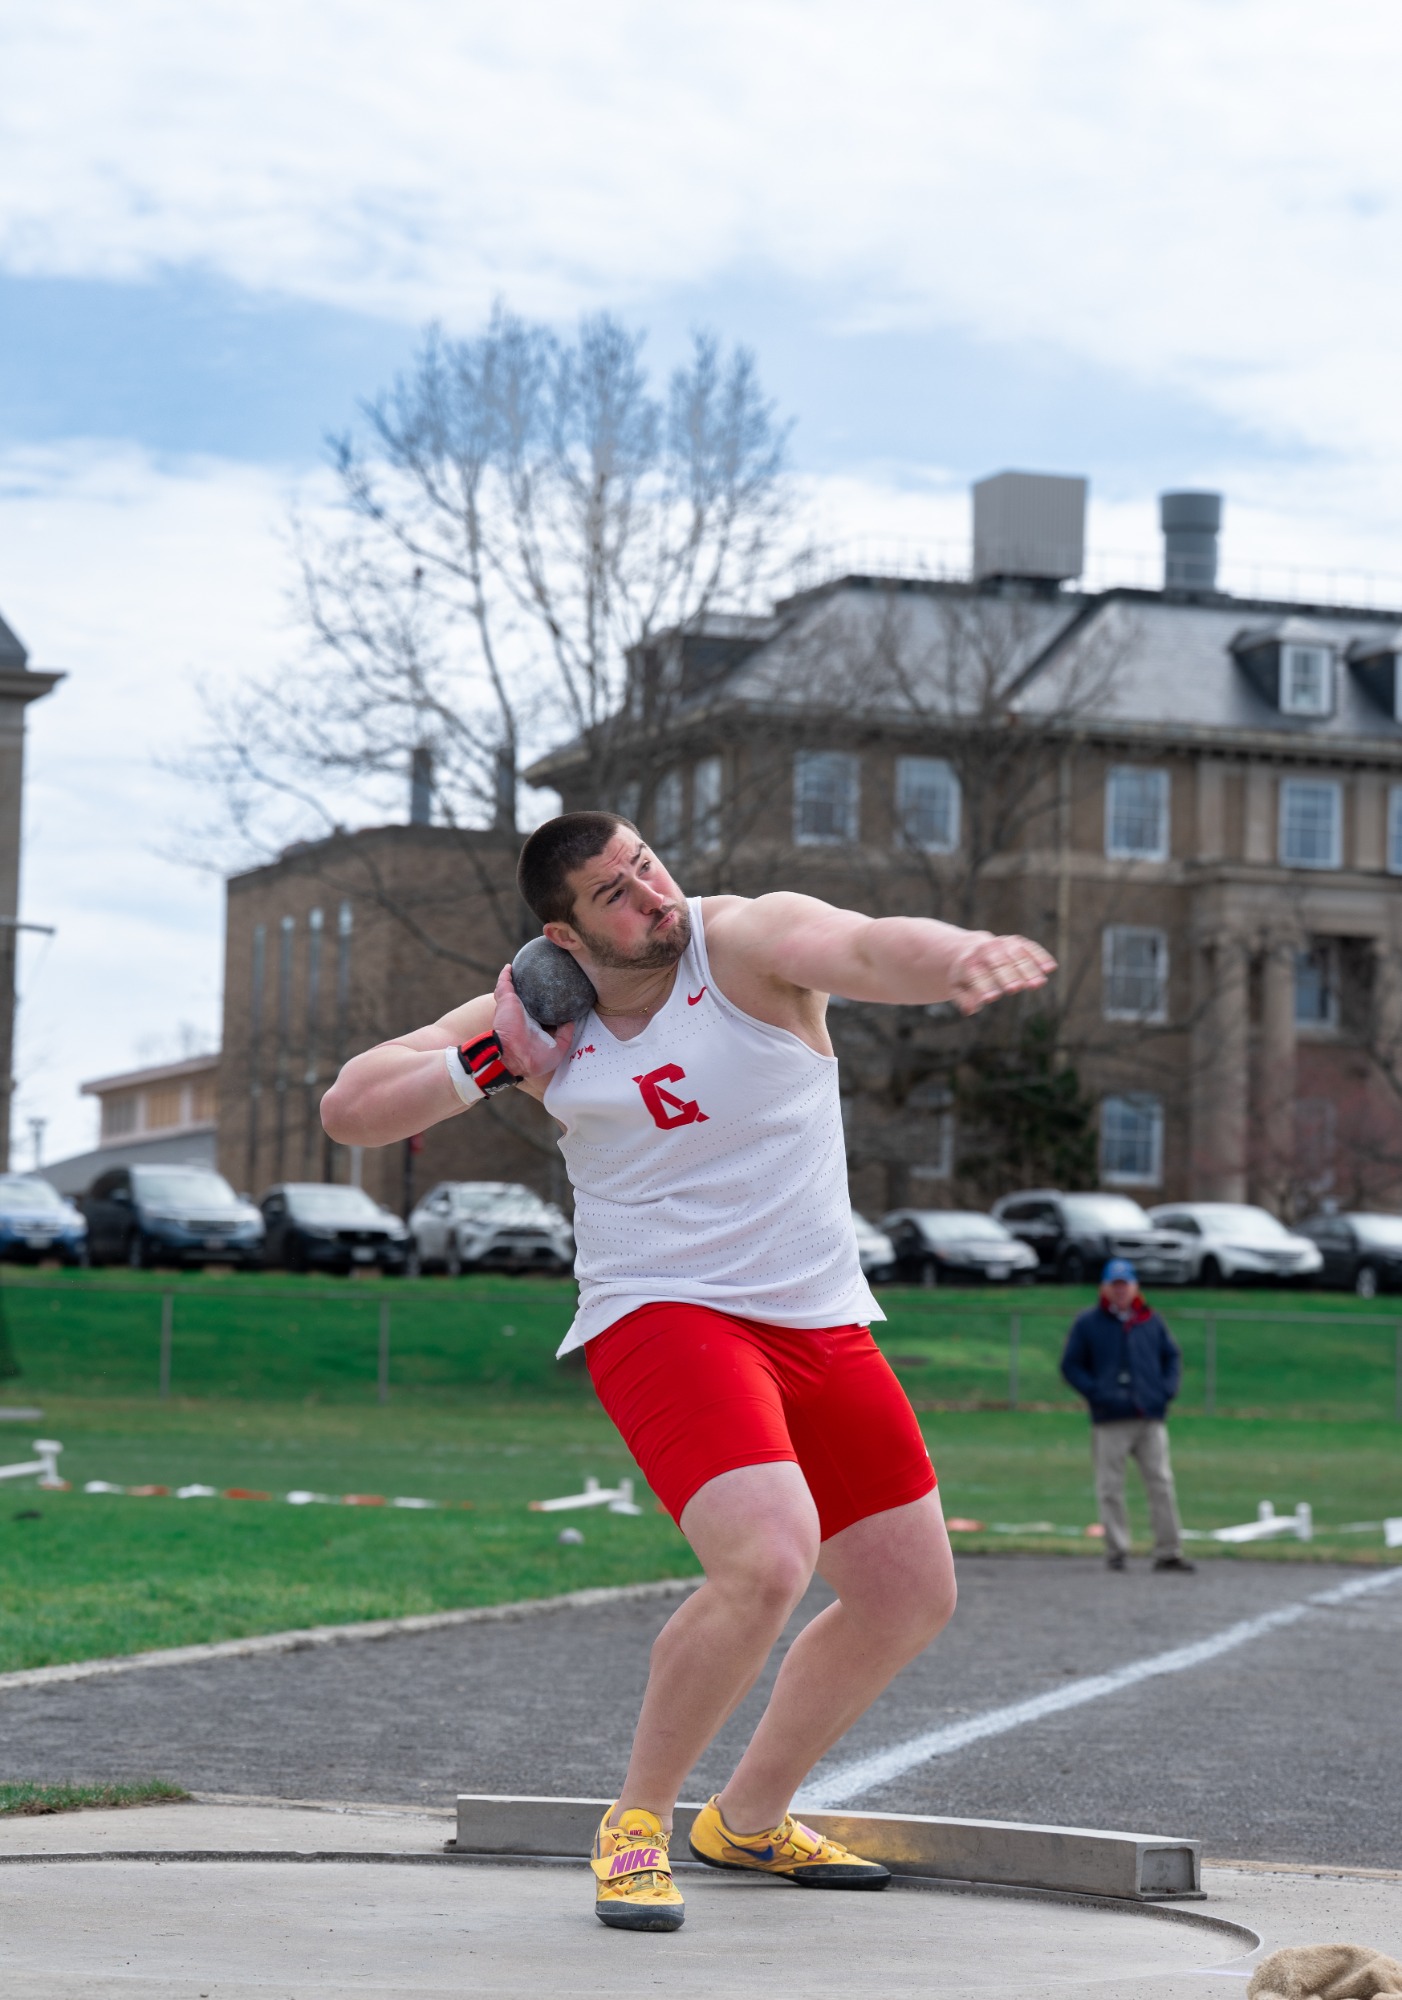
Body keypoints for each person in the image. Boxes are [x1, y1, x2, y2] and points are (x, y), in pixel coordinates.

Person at [321, 811, 1055, 1932]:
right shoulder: (538, 1010)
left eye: (648, 866)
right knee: (767, 1558)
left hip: (816, 1316)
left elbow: (864, 945)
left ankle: (747, 1819)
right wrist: (494, 1062)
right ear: (566, 935)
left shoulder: (744, 943)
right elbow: (351, 1109)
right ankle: (635, 1824)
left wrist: (958, 953)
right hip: (660, 1310)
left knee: (908, 1594)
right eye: (614, 894)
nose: (652, 896)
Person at [1060, 1258, 1195, 1575]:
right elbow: (1071, 1366)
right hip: (1110, 1419)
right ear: (1105, 1288)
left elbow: (1172, 1356)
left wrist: (1165, 1391)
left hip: (1149, 1416)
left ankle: (1168, 1551)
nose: (1120, 1290)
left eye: (1125, 1284)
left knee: (1161, 1483)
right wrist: (1098, 1394)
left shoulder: (1150, 1320)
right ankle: (1117, 1550)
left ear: (1135, 1287)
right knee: (1110, 1487)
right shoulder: (1089, 1322)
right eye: (1115, 1285)